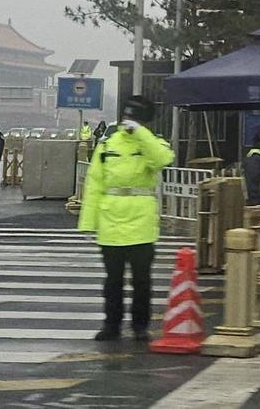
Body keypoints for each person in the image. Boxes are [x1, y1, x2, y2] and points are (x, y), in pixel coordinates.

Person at [78, 95, 174, 341]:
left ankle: (140, 326)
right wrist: (88, 222)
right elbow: (95, 183)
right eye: (126, 116)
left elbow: (163, 160)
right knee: (113, 280)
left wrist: (141, 133)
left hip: (141, 223)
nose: (127, 122)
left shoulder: (152, 143)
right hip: (111, 221)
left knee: (142, 280)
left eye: (134, 118)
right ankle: (112, 324)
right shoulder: (107, 144)